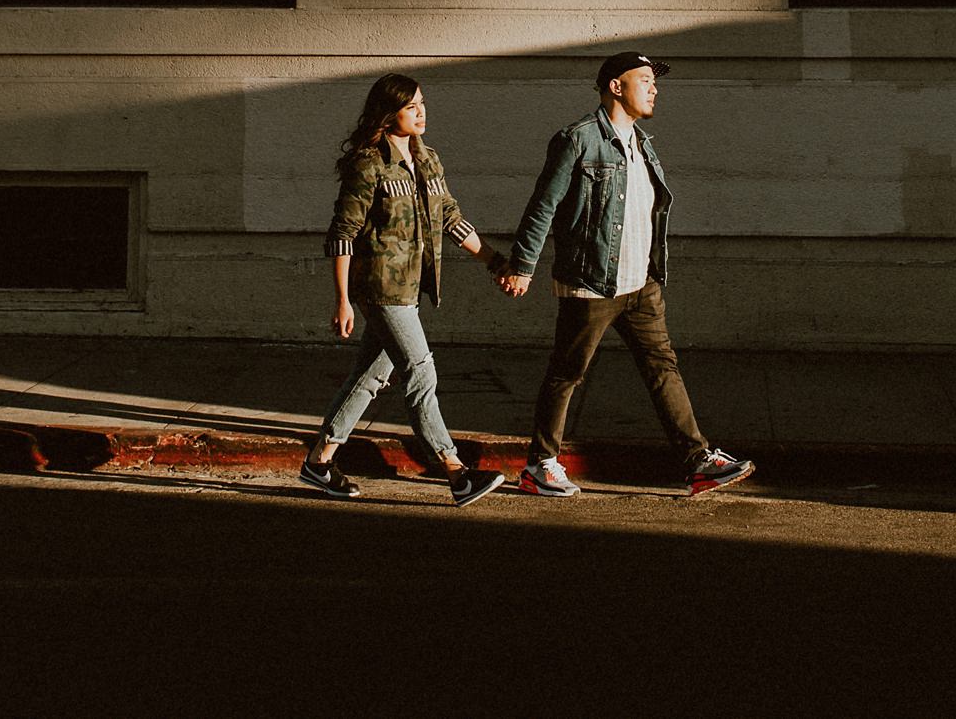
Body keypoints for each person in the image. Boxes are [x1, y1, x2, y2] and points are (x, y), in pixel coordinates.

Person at [496, 51, 755, 498]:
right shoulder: (577, 140)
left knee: (663, 367)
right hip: (591, 282)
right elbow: (544, 204)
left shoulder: (641, 142)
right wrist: (523, 265)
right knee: (568, 372)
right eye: (645, 80)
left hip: (642, 282)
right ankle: (540, 465)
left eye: (655, 82)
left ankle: (697, 461)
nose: (655, 88)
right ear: (616, 86)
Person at [300, 73, 507, 507]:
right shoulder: (368, 163)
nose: (421, 112)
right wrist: (341, 299)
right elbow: (343, 233)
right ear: (388, 112)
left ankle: (319, 463)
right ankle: (455, 472)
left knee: (370, 376)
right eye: (412, 106)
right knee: (420, 371)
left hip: (411, 286)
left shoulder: (427, 158)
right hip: (380, 287)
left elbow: (450, 217)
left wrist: (493, 261)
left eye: (422, 103)